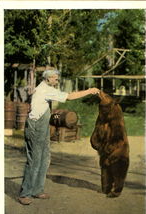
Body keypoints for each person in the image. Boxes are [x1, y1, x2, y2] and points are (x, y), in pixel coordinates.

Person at [18, 69, 100, 205]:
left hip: (42, 126)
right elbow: (69, 96)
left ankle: (37, 190)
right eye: (55, 78)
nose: (57, 81)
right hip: (35, 127)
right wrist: (90, 90)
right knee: (34, 160)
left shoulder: (46, 88)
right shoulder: (44, 90)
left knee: (45, 158)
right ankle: (25, 193)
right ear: (48, 78)